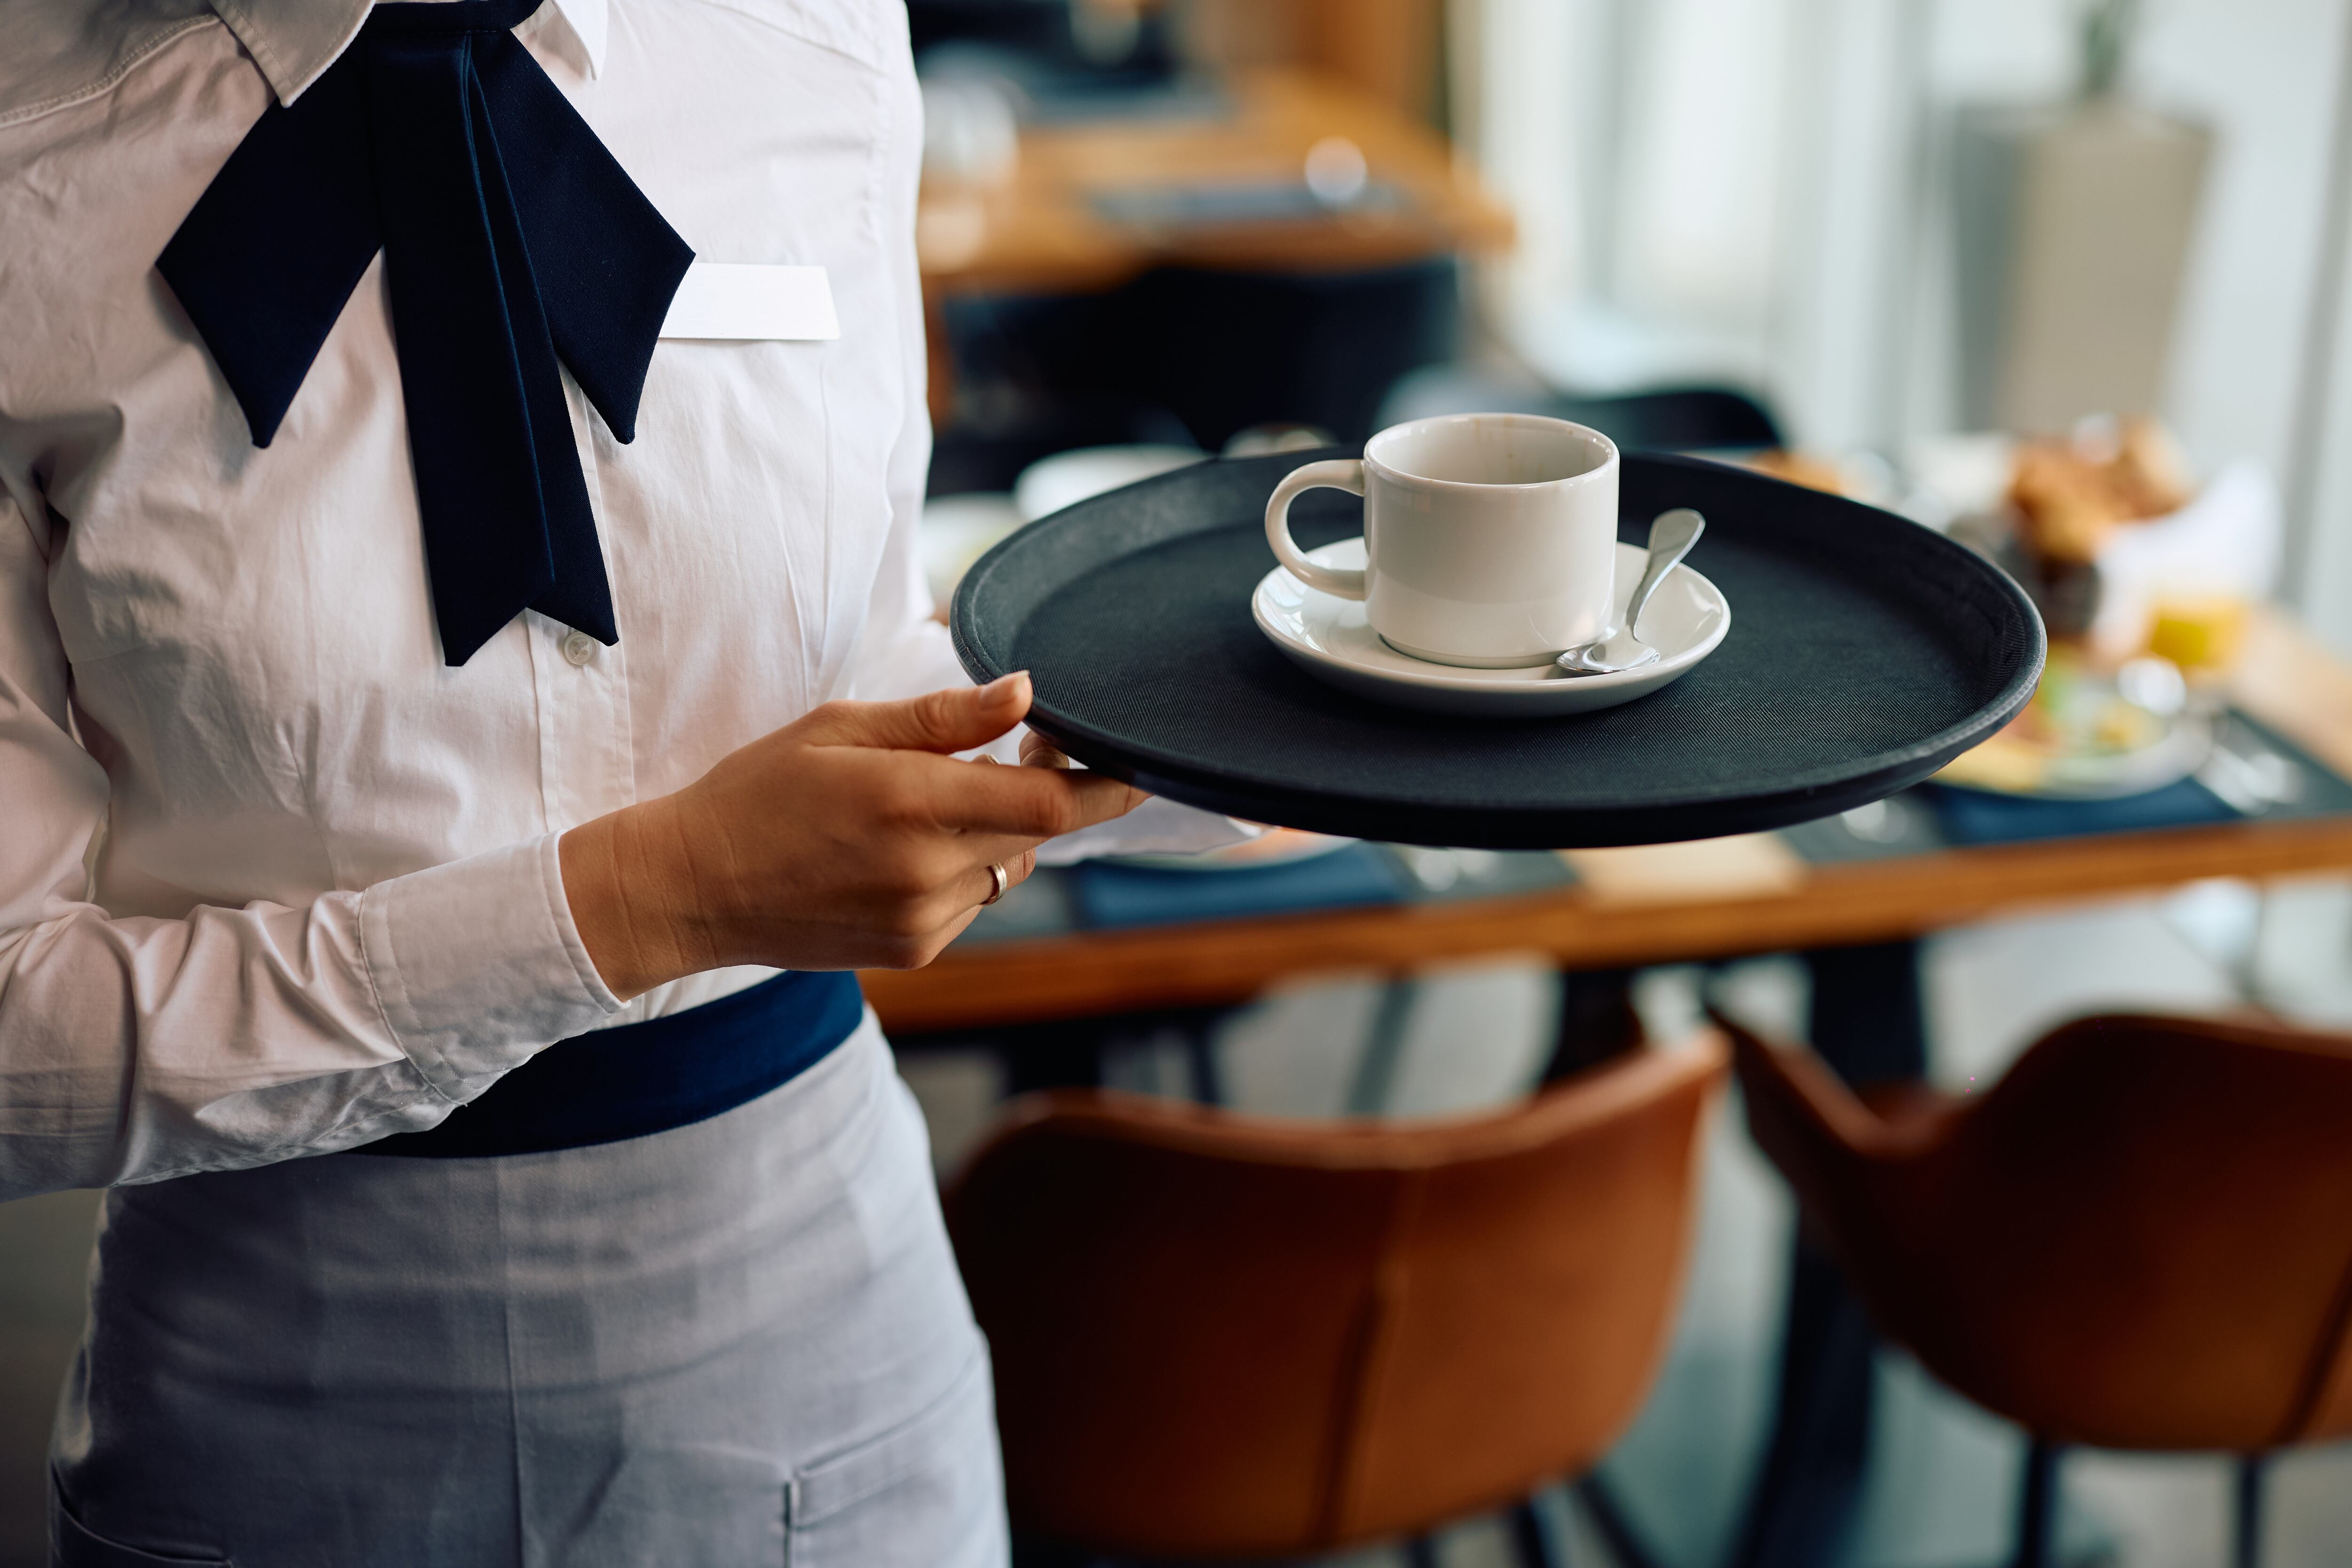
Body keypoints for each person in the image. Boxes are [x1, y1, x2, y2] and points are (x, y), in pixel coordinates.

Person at [0, 0, 1235, 1560]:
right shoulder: (24, 148)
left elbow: (861, 672)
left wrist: (1315, 700)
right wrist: (651, 900)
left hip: (818, 1358)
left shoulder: (817, 34)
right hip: (270, 1405)